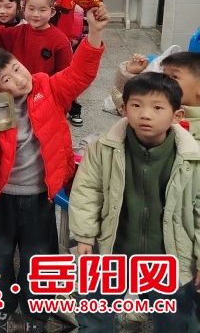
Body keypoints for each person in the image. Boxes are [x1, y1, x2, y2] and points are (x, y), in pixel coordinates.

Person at [0, 3, 108, 332]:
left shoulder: (47, 87)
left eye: (17, 69)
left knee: (38, 259)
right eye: (8, 78)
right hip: (1, 198)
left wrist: (94, 33)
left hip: (39, 196)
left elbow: (79, 74)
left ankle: (36, 313)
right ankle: (1, 306)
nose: (20, 79)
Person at [70, 72, 200, 332]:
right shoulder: (103, 147)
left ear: (177, 115)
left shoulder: (191, 159)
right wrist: (84, 236)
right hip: (112, 250)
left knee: (173, 321)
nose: (145, 115)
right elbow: (87, 190)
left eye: (157, 108)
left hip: (169, 258)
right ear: (124, 109)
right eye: (136, 105)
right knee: (95, 315)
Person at [0, 0, 72, 77]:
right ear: (24, 9)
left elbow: (65, 75)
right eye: (31, 9)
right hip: (16, 88)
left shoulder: (60, 41)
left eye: (42, 10)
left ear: (52, 12)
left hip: (44, 90)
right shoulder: (17, 32)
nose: (35, 14)